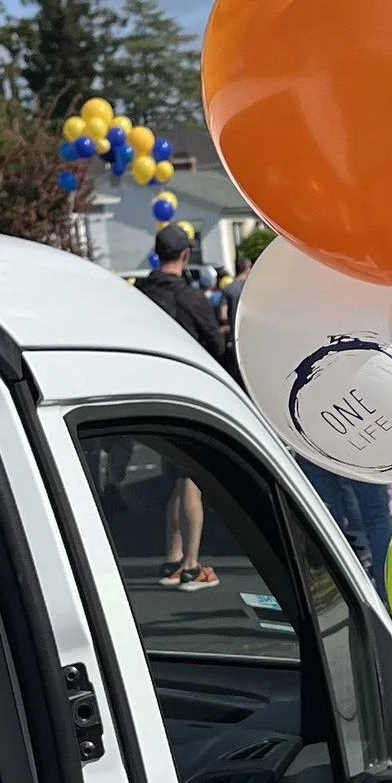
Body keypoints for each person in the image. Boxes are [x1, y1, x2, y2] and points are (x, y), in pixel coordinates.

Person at [133, 221, 228, 587]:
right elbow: (216, 348)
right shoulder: (191, 298)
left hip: (149, 391)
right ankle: (190, 564)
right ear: (186, 255)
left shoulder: (138, 293)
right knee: (191, 476)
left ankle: (172, 558)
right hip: (187, 393)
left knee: (172, 475)